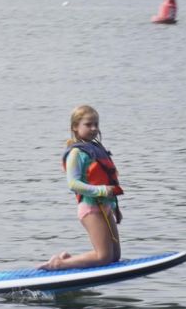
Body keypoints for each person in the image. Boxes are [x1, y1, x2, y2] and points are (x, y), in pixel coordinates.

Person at [39, 105, 123, 270]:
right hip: (90, 209)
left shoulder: (97, 150)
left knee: (114, 256)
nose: (93, 128)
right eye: (88, 124)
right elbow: (73, 184)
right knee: (103, 257)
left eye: (96, 124)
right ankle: (59, 263)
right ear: (75, 127)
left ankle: (69, 259)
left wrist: (114, 206)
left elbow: (109, 180)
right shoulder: (76, 153)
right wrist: (100, 190)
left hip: (105, 207)